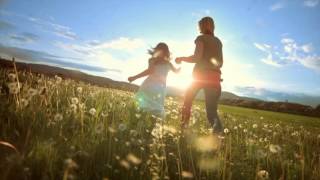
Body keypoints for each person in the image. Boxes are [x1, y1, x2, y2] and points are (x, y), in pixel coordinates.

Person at [175, 16, 223, 133]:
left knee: (187, 103)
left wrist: (181, 58)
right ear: (213, 26)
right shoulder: (218, 42)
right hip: (215, 78)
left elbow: (196, 57)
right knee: (212, 112)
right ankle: (219, 138)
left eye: (200, 25)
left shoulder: (201, 38)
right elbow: (220, 63)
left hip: (199, 77)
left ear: (201, 26)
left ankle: (183, 129)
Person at [128, 42, 180, 117]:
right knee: (156, 106)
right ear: (167, 53)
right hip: (160, 88)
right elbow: (177, 71)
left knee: (143, 104)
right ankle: (150, 123)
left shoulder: (152, 60)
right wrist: (180, 65)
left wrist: (134, 77)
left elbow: (150, 71)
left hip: (149, 85)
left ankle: (140, 119)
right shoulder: (169, 64)